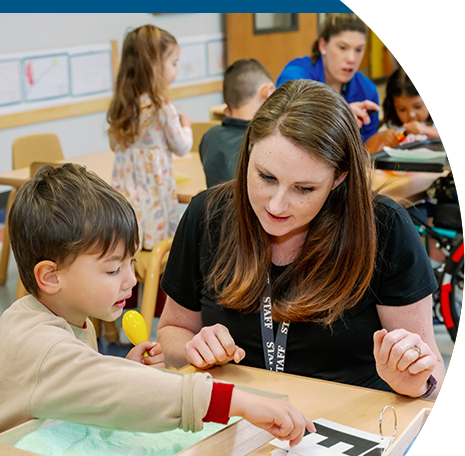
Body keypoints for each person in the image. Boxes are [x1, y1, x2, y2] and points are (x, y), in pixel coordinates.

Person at [0, 163, 313, 456]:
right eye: (112, 269)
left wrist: (120, 368)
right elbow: (110, 389)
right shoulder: (37, 342)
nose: (131, 279)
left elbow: (76, 388)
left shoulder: (68, 316)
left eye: (129, 263)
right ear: (50, 276)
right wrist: (237, 401)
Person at [157, 79, 445, 399]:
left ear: (339, 177)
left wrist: (416, 382)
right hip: (238, 419)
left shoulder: (384, 228)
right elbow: (171, 332)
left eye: (304, 189)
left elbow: (432, 371)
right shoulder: (207, 214)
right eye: (266, 177)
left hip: (350, 430)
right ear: (248, 151)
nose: (276, 205)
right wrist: (192, 348)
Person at [107, 25, 193, 250]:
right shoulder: (161, 107)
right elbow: (182, 146)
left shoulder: (124, 106)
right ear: (154, 66)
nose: (176, 70)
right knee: (159, 250)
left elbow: (115, 145)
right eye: (173, 63)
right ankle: (158, 286)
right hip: (154, 196)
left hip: (126, 198)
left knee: (129, 248)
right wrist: (186, 126)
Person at [276, 13, 380, 143]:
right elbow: (284, 127)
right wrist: (340, 117)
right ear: (323, 46)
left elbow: (367, 150)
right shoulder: (295, 76)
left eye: (358, 50)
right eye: (342, 48)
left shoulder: (368, 91)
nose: (352, 59)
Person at [200, 59, 275, 188]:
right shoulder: (266, 139)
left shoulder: (210, 137)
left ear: (226, 111)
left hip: (214, 208)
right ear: (267, 92)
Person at [365, 67, 442, 154]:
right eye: (402, 109)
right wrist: (380, 138)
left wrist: (425, 130)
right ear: (393, 107)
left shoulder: (440, 123)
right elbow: (366, 152)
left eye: (418, 106)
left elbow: (454, 139)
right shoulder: (392, 127)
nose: (411, 115)